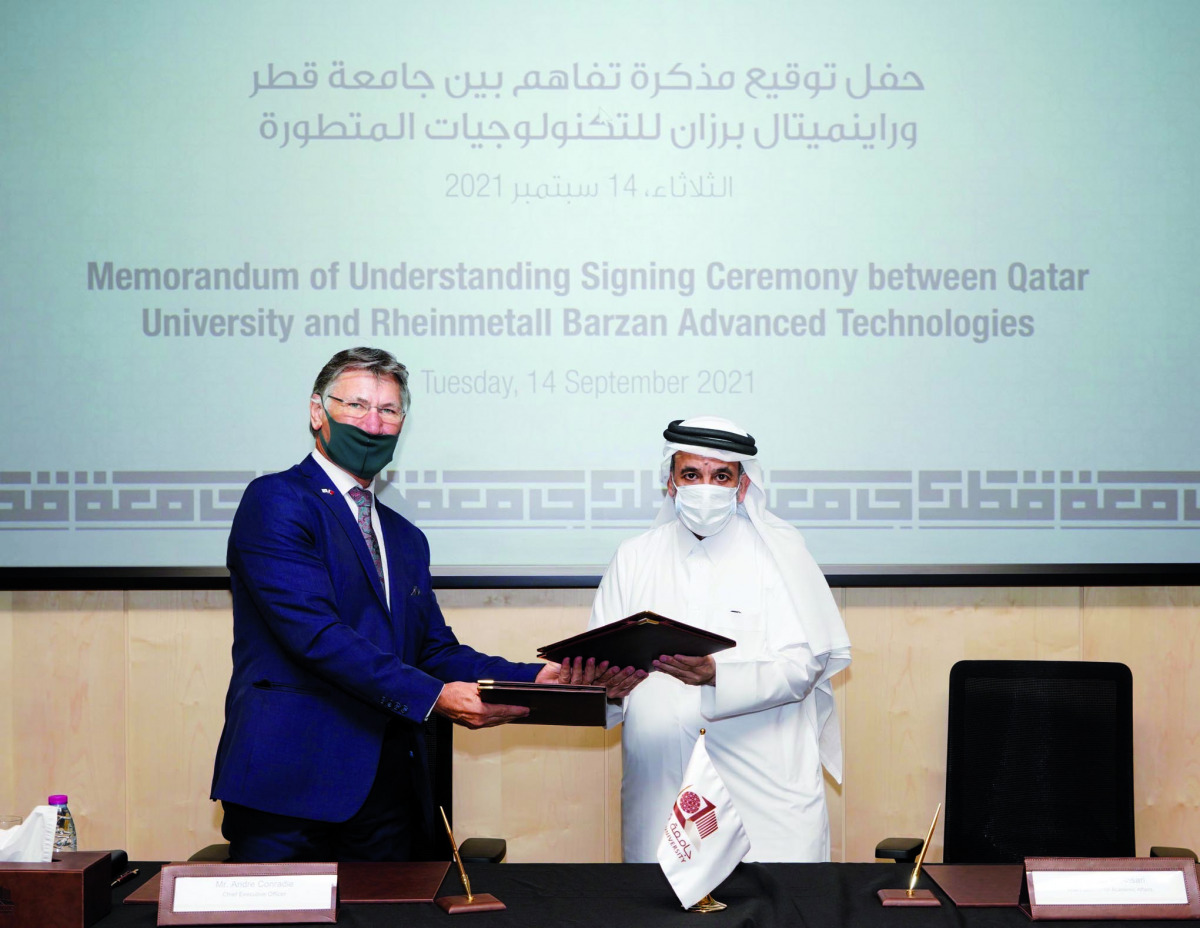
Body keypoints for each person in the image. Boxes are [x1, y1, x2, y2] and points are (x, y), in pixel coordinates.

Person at [211, 346, 562, 862]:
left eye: (389, 411)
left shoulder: (405, 538)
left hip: (388, 793)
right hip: (290, 787)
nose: (372, 424)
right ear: (317, 412)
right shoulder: (277, 501)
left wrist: (535, 680)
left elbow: (434, 650)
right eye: (356, 406)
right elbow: (316, 636)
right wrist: (435, 697)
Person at [582, 416, 851, 863]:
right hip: (662, 791)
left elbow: (803, 667)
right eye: (692, 474)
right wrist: (602, 690)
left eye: (720, 475)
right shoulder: (633, 559)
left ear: (742, 485)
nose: (705, 487)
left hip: (764, 794)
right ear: (671, 482)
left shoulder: (781, 558)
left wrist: (716, 675)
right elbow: (602, 672)